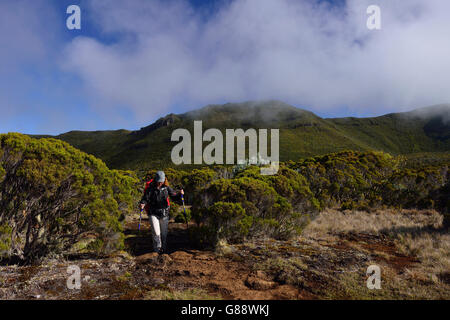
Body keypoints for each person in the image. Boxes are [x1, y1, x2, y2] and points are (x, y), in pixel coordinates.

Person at [139, 171, 184, 254]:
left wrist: (180, 194)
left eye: (161, 181)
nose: (160, 183)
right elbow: (145, 198)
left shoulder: (167, 188)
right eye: (159, 181)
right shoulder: (150, 188)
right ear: (155, 180)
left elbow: (173, 197)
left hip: (164, 213)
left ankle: (164, 249)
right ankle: (157, 250)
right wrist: (142, 203)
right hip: (153, 213)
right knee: (156, 233)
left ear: (164, 180)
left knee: (164, 234)